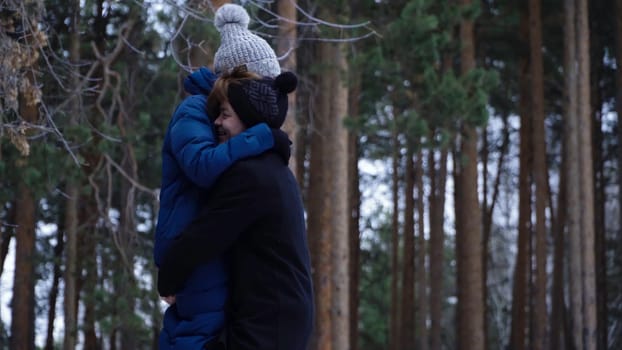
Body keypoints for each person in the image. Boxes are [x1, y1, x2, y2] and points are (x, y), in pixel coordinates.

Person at [154, 4, 291, 349]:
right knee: (196, 331)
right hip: (188, 240)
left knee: (200, 326)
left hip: (206, 244)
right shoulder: (194, 111)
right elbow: (201, 165)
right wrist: (263, 138)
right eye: (261, 86)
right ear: (239, 81)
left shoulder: (217, 117)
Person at [158, 67, 314, 350]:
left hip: (267, 327)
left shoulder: (252, 175)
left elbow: (205, 236)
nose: (217, 122)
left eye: (225, 114)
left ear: (248, 118)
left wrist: (168, 276)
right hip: (276, 321)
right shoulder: (272, 168)